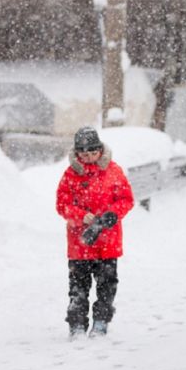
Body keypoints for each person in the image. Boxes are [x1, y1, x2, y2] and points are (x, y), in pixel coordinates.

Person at [56, 127, 135, 339]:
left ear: (100, 150)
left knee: (107, 285)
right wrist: (81, 216)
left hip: (108, 242)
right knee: (78, 287)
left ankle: (101, 320)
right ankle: (77, 323)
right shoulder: (70, 175)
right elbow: (62, 205)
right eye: (83, 154)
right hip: (79, 242)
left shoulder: (114, 171)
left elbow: (127, 200)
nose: (89, 158)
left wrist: (113, 214)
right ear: (77, 153)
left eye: (93, 153)